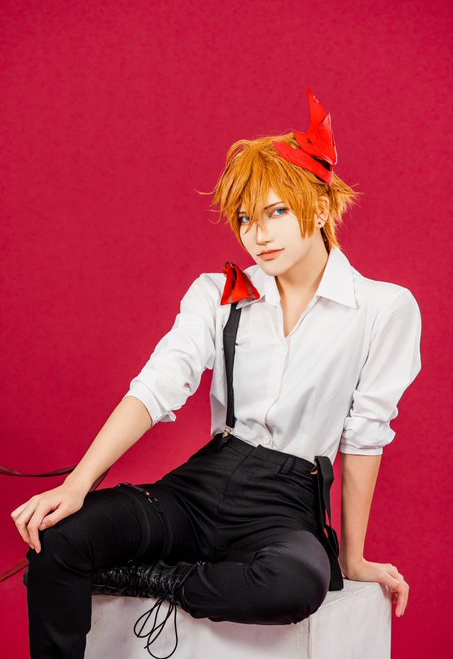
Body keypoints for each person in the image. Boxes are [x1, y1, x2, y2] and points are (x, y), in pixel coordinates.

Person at [11, 90, 422, 658]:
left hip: (286, 500)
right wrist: (78, 484)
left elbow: (364, 436)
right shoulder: (219, 293)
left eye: (277, 212)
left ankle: (154, 578)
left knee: (295, 583)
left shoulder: (382, 308)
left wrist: (352, 558)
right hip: (203, 484)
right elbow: (157, 385)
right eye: (246, 218)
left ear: (323, 207)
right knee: (59, 540)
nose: (259, 234)